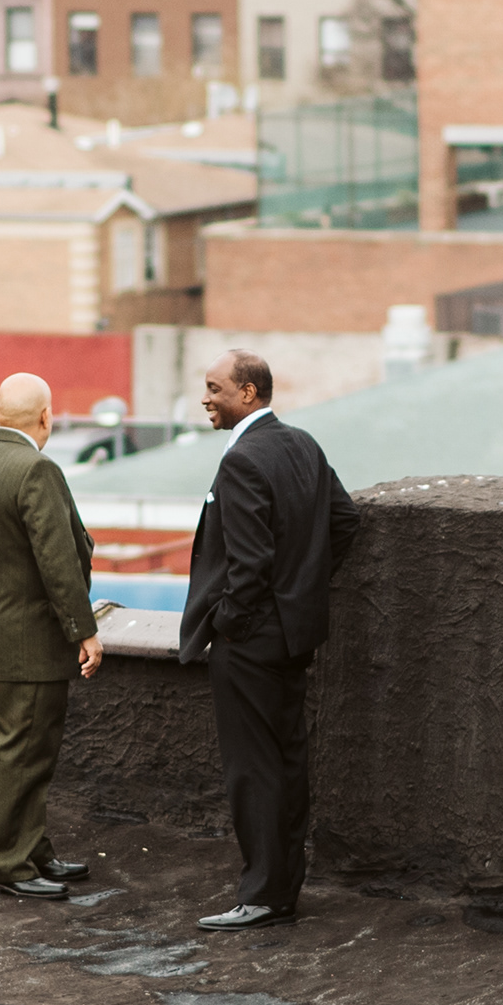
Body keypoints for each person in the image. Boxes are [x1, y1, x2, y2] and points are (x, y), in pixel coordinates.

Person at [178, 349, 358, 931]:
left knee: (253, 770)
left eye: (214, 388)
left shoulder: (242, 461)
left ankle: (261, 896)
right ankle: (282, 891)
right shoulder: (303, 444)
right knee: (286, 762)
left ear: (248, 394)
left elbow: (248, 566)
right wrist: (302, 591)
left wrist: (230, 623)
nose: (205, 398)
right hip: (293, 637)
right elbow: (344, 521)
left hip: (251, 643)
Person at [0, 372, 103, 900]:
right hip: (32, 638)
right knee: (24, 751)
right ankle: (8, 864)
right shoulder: (37, 468)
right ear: (45, 417)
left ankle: (31, 849)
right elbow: (57, 561)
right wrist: (83, 631)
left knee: (17, 748)